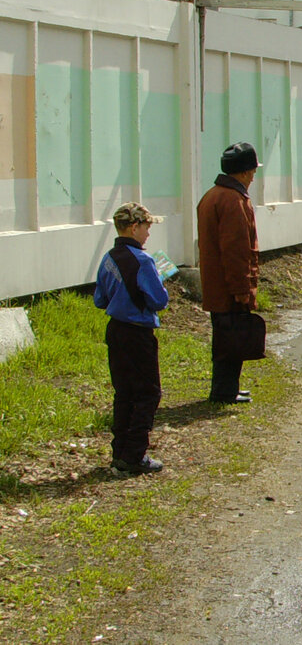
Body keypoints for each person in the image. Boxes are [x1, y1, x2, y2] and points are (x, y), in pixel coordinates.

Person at [93, 202, 169, 475]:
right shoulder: (144, 261)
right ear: (135, 227)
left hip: (116, 330)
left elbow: (100, 299)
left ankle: (120, 451)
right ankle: (135, 455)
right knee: (148, 393)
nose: (148, 234)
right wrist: (160, 279)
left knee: (124, 392)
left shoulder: (108, 259)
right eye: (147, 227)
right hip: (138, 333)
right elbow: (159, 300)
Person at [197, 142, 261, 405]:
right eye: (253, 171)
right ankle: (224, 391)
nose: (254, 176)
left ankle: (227, 387)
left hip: (217, 283)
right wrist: (242, 289)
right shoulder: (233, 201)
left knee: (225, 337)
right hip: (228, 286)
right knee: (230, 339)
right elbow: (236, 250)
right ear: (245, 172)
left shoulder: (212, 195)